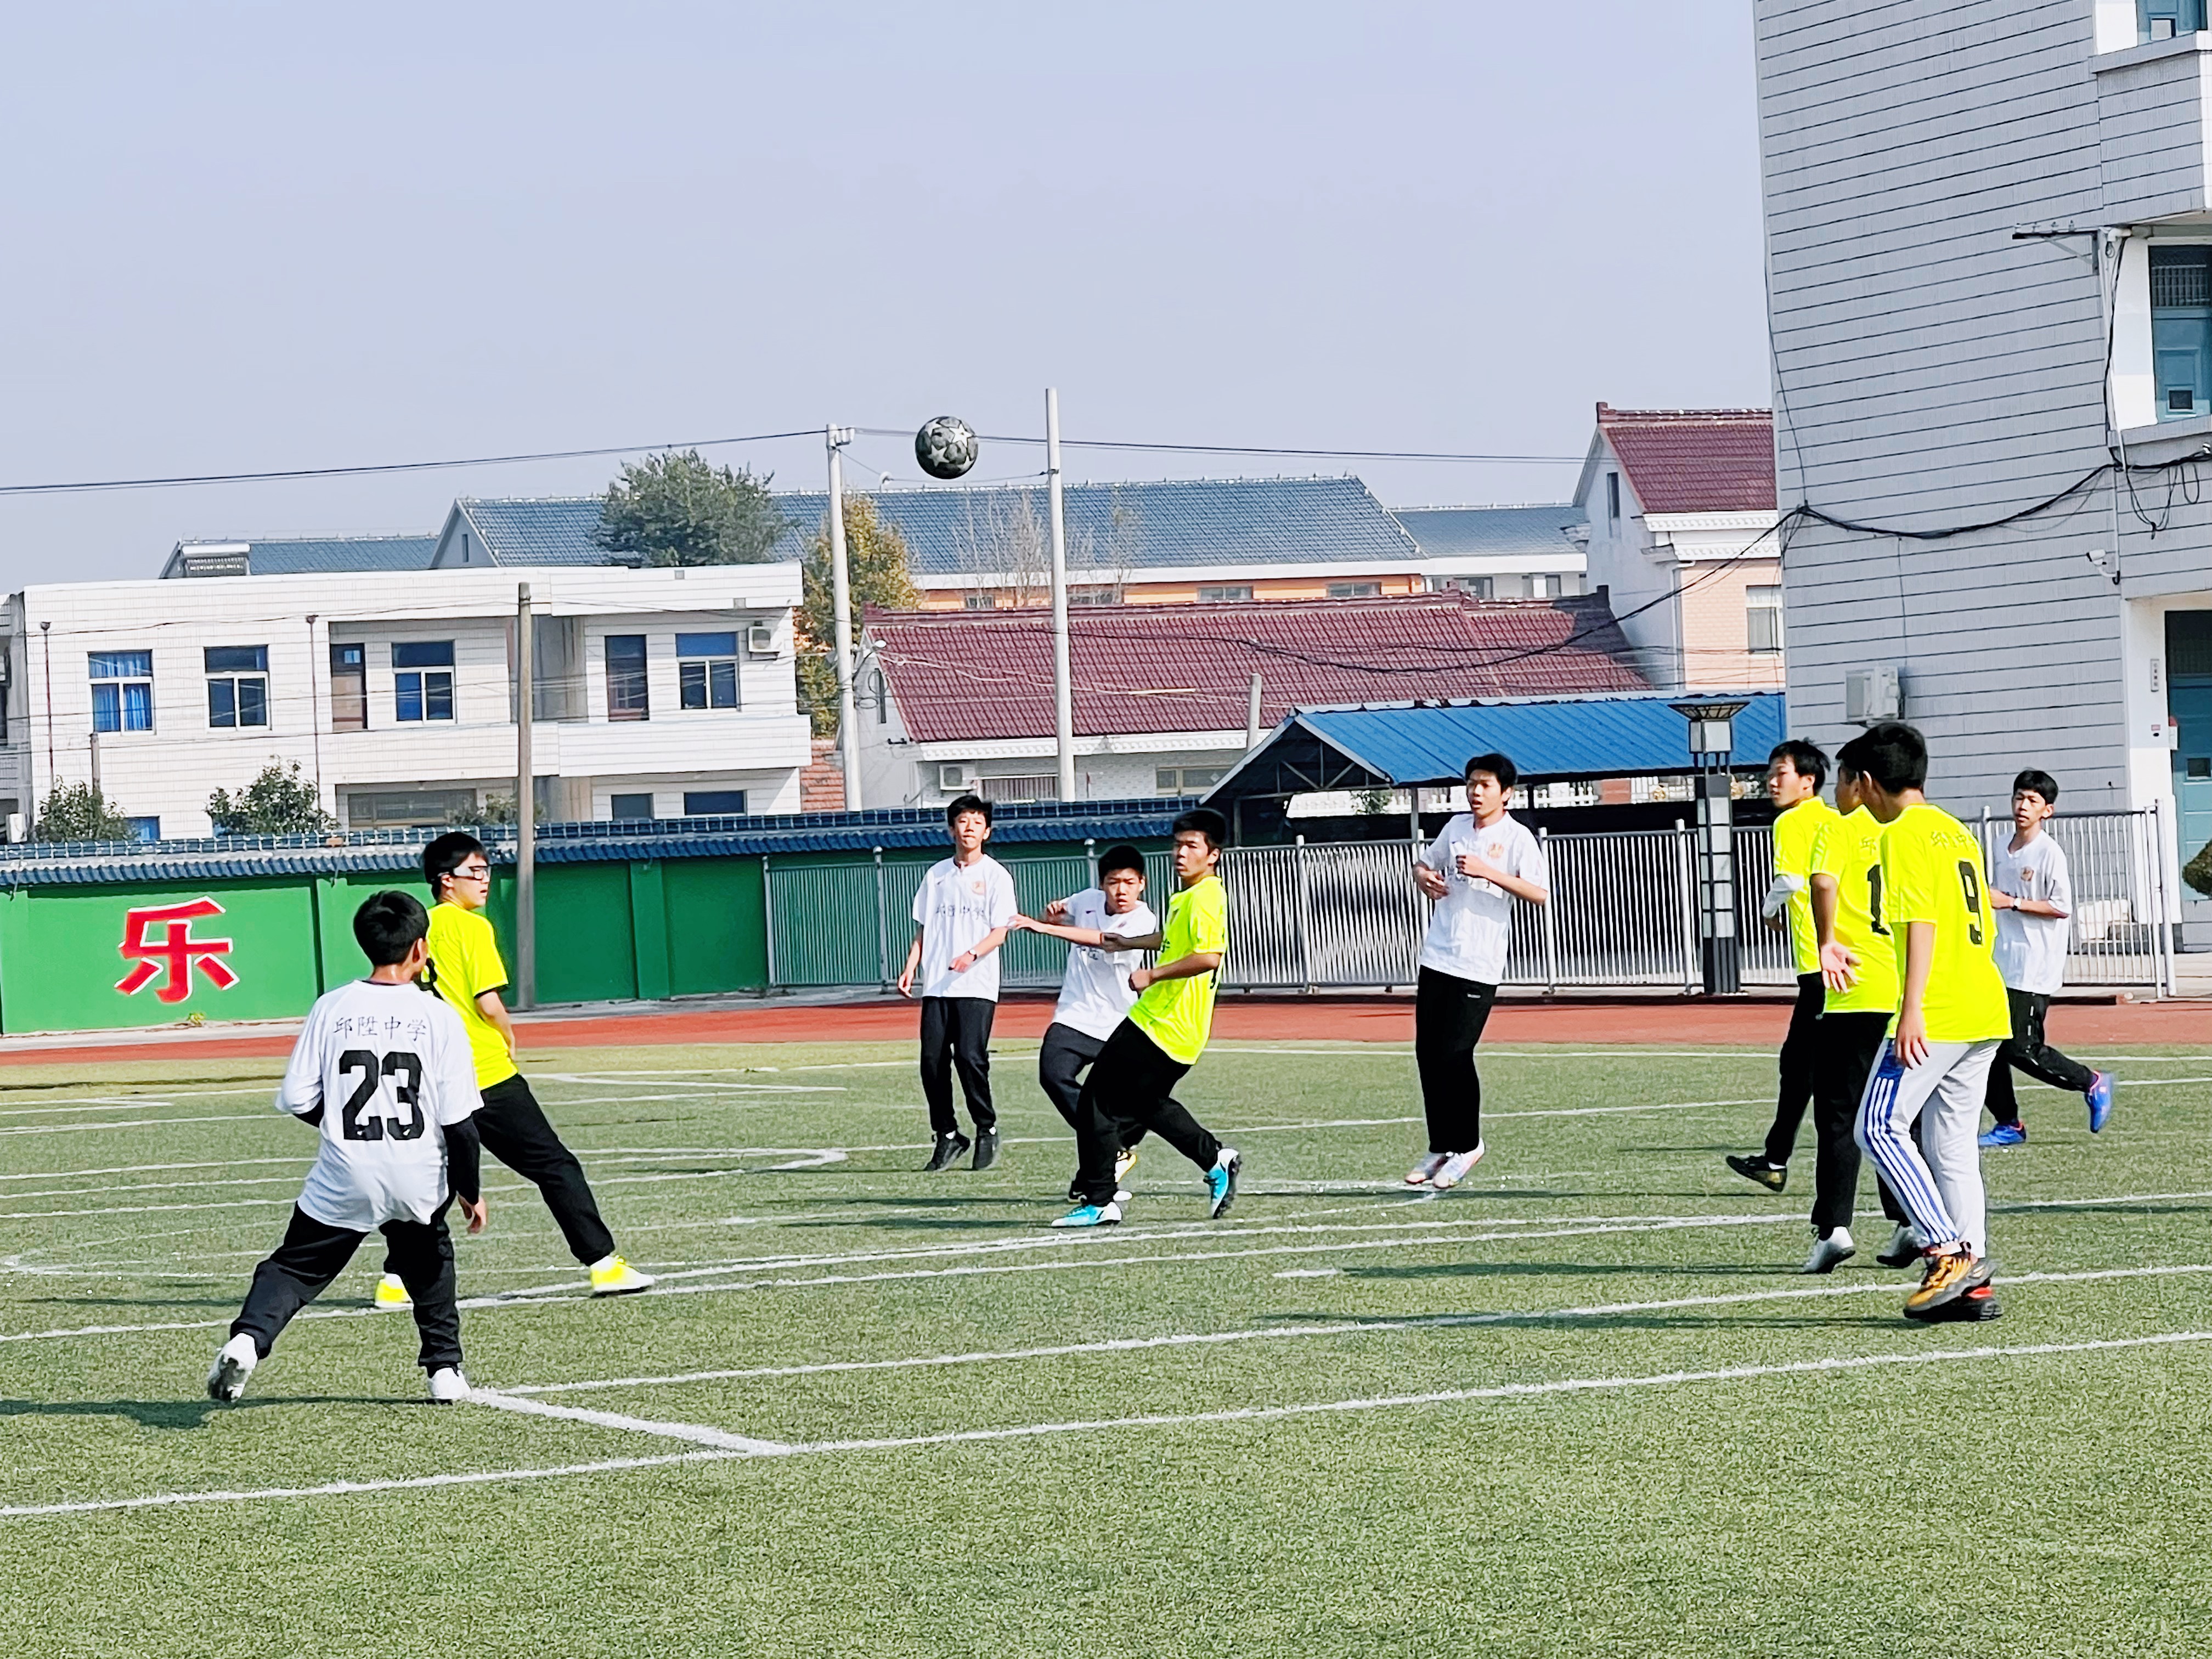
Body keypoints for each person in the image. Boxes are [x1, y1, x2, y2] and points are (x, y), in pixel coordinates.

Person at [207, 891, 486, 1404]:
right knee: (429, 1261)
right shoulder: (439, 1015)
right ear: (421, 949)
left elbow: (296, 1098)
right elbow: (461, 1123)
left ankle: (249, 1339)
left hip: (347, 1168)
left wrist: (338, 1123)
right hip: (417, 1170)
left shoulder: (332, 1006)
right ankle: (444, 1370)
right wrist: (471, 1190)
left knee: (294, 1266)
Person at [376, 832, 652, 1306]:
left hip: (431, 1075)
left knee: (434, 1180)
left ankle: (396, 1280)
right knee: (554, 1165)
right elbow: (486, 1001)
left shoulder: (418, 928)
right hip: (484, 1072)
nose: (485, 881)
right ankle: (603, 1265)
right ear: (447, 881)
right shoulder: (472, 928)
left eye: (486, 870)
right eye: (475, 872)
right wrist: (507, 1032)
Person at [1849, 722, 2012, 1322]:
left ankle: (1947, 1252)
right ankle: (1972, 1284)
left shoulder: (1903, 834)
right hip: (1982, 1003)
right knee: (1951, 1148)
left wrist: (1911, 1007)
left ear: (1869, 782)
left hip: (1939, 1008)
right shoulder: (1953, 830)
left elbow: (1921, 921)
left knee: (1878, 1128)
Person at [1053, 808, 1241, 1228]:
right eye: (1177, 845)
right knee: (1144, 1103)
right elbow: (1175, 940)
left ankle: (1100, 1199)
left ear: (1213, 855)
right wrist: (1131, 943)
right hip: (1176, 1030)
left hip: (1161, 1023)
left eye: (1192, 846)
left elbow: (1209, 956)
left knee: (1096, 1099)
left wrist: (1152, 973)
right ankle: (1215, 1159)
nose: (1180, 853)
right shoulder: (1187, 897)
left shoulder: (1206, 896)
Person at [1406, 752, 1549, 1190]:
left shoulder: (1517, 837)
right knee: (1427, 1054)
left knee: (1455, 1053)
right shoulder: (1454, 827)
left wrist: (1491, 871)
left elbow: (1540, 893)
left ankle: (1468, 1145)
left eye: (1486, 785)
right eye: (1472, 783)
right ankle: (1440, 1145)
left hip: (1478, 964)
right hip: (1438, 956)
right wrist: (1423, 878)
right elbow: (1424, 863)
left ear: (1506, 793)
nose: (1475, 792)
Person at [1802, 741, 1914, 1274]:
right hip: (1902, 994)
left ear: (1856, 782)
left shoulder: (1839, 827)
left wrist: (1826, 939)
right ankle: (1911, 1219)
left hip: (1853, 992)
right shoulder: (1903, 832)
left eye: (1839, 782)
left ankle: (1834, 1227)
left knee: (1840, 1115)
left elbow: (1822, 881)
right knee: (1896, 1117)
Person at [1010, 844, 1160, 1201]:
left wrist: (1043, 930)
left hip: (1119, 1023)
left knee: (1139, 1102)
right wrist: (1054, 914)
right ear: (1102, 885)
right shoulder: (1086, 900)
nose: (1121, 891)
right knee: (1052, 1075)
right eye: (1113, 882)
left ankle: (1101, 1161)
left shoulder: (1143, 919)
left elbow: (1105, 941)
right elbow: (1063, 913)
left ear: (1142, 884)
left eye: (1128, 882)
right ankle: (1111, 1150)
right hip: (1075, 1015)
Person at [1979, 769, 2116, 1147]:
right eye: (2019, 798)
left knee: (2020, 1047)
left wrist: (2013, 902)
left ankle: (2091, 1082)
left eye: (2032, 801)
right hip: (1999, 958)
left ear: (2048, 811)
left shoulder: (2049, 852)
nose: (2023, 806)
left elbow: (2061, 907)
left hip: (2033, 963)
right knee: (1987, 1042)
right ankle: (2009, 1123)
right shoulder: (1998, 844)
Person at [1726, 739, 1838, 1193]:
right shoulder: (1837, 819)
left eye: (1782, 773)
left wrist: (1769, 909)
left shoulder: (1794, 819)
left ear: (1808, 781)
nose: (1771, 781)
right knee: (1803, 1065)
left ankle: (1778, 1161)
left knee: (1810, 1070)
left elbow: (1791, 879)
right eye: (1770, 773)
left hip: (1820, 963)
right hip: (1848, 961)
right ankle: (1775, 1158)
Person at [897, 793, 1018, 1172]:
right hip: (937, 985)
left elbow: (1000, 932)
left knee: (969, 1058)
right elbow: (924, 928)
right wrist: (911, 966)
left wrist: (971, 955)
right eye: (963, 821)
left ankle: (987, 1127)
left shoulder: (997, 876)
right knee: (932, 1062)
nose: (969, 828)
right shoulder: (936, 875)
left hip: (976, 984)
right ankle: (948, 1135)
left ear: (987, 831)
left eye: (977, 822)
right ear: (952, 828)